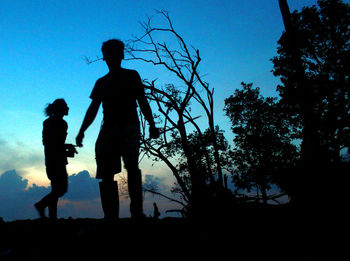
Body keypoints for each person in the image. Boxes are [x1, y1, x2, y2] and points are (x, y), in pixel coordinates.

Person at [76, 39, 159, 220]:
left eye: (116, 52)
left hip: (129, 126)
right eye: (109, 53)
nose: (112, 56)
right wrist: (82, 130)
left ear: (121, 55)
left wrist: (152, 124)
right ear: (105, 57)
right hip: (109, 129)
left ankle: (136, 212)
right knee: (107, 172)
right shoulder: (102, 82)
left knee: (131, 167)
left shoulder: (131, 76)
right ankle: (111, 216)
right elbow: (93, 108)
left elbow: (142, 101)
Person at [34, 99, 76, 220]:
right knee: (61, 190)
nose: (68, 108)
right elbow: (51, 143)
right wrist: (65, 147)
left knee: (56, 189)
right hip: (56, 160)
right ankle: (41, 205)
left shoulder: (50, 122)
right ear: (60, 109)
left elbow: (51, 142)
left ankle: (53, 217)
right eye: (65, 106)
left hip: (53, 159)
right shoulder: (60, 123)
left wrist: (67, 147)